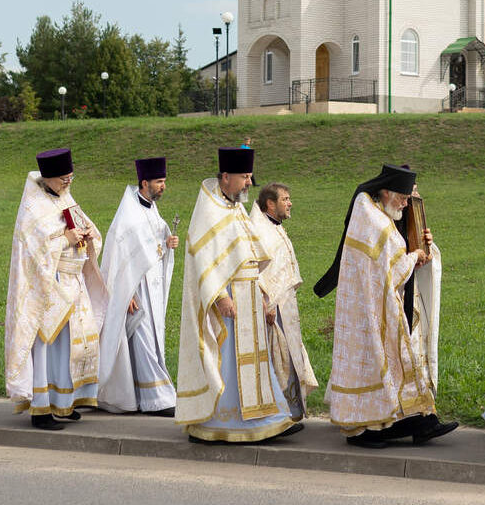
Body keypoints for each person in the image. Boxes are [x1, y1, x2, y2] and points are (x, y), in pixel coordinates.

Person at [313, 163, 457, 448]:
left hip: (382, 306)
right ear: (387, 192)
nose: (407, 203)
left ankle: (420, 422)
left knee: (398, 364)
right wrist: (414, 257)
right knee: (381, 366)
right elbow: (388, 271)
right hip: (368, 311)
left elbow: (397, 256)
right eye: (403, 197)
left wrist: (423, 249)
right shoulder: (372, 220)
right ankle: (364, 430)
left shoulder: (382, 213)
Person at [177, 147, 303, 443]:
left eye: (249, 177)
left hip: (248, 294)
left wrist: (259, 289)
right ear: (225, 177)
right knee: (230, 361)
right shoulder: (209, 210)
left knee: (254, 359)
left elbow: (246, 251)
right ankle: (219, 422)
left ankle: (267, 417)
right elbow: (204, 260)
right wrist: (220, 296)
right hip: (229, 299)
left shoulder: (233, 207)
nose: (249, 183)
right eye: (244, 177)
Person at [4, 148, 105, 430]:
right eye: (63, 178)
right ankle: (40, 409)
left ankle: (64, 402)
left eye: (71, 177)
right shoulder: (33, 208)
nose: (68, 183)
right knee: (46, 347)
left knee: (68, 347)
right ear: (48, 177)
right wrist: (65, 239)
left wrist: (86, 236)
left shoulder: (65, 197)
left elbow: (87, 228)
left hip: (73, 282)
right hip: (48, 287)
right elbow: (34, 251)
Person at [96, 157, 179, 415]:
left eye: (164, 181)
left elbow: (153, 242)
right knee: (143, 339)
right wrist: (126, 291)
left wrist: (168, 244)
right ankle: (158, 399)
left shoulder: (150, 208)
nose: (163, 186)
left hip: (152, 287)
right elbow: (118, 258)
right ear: (144, 183)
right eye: (159, 181)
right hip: (136, 289)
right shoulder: (128, 215)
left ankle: (143, 396)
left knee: (153, 340)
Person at [250, 182, 319, 418]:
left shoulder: (276, 226)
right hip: (272, 305)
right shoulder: (260, 230)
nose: (290, 204)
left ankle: (291, 410)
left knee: (289, 353)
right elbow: (255, 270)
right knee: (277, 357)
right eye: (285, 199)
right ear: (270, 204)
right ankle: (279, 413)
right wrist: (265, 301)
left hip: (286, 302)